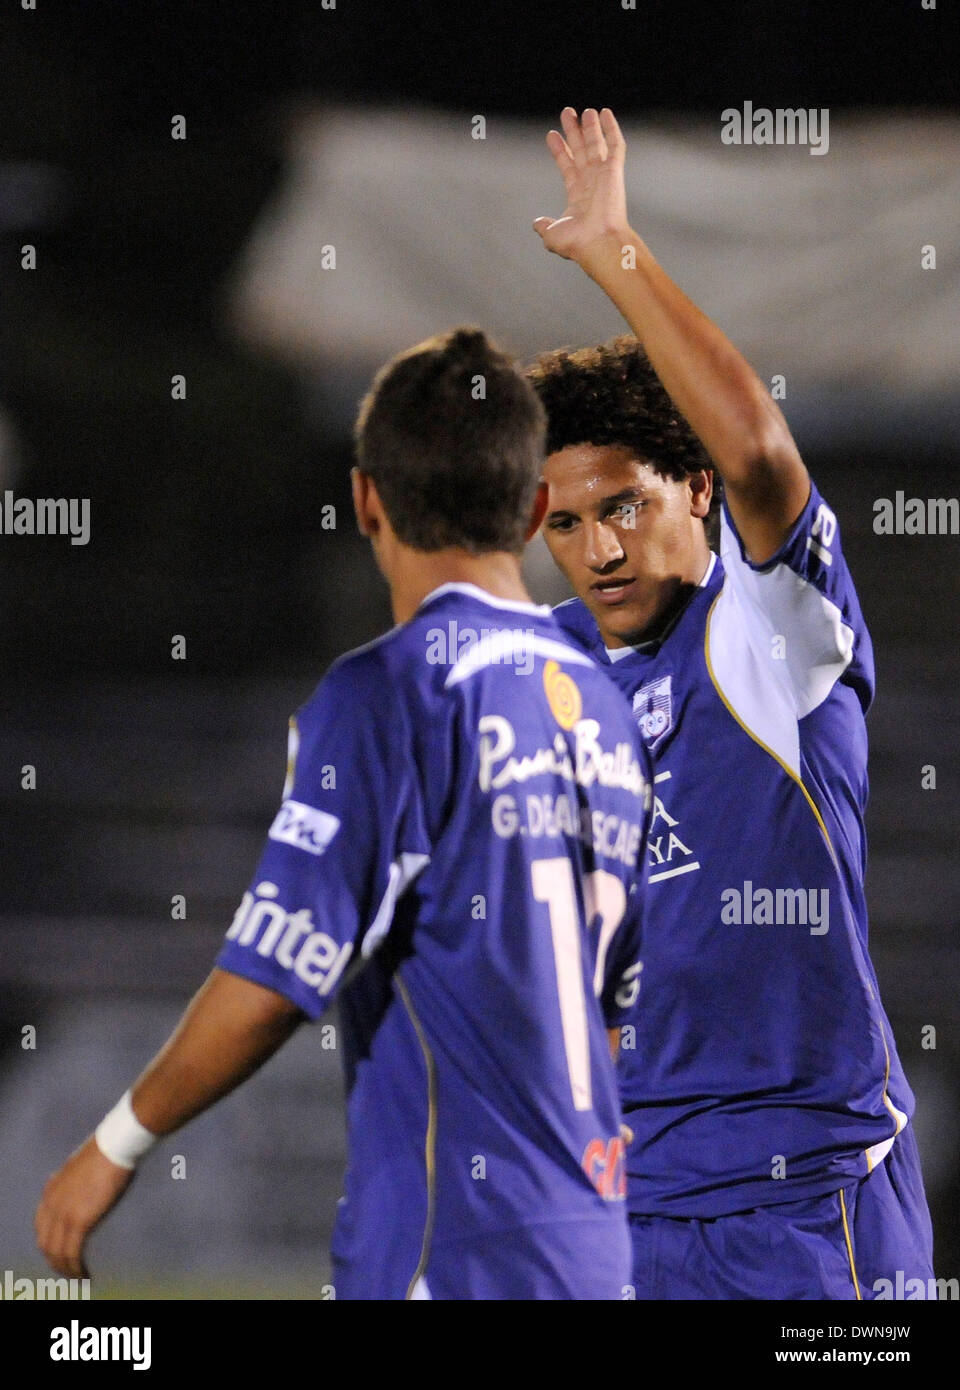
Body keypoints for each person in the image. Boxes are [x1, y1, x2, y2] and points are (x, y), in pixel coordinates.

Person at [36, 326, 652, 1301]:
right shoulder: (610, 709)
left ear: (367, 497)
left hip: (448, 1255)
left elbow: (277, 974)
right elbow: (622, 1017)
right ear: (537, 510)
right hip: (595, 1254)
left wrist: (116, 1142)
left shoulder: (392, 692)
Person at [527, 107, 935, 1300]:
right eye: (563, 523)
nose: (597, 547)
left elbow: (763, 451)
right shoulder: (539, 672)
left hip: (806, 1205)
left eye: (626, 507)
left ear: (695, 493)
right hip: (625, 1207)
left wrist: (616, 255)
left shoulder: (774, 634)